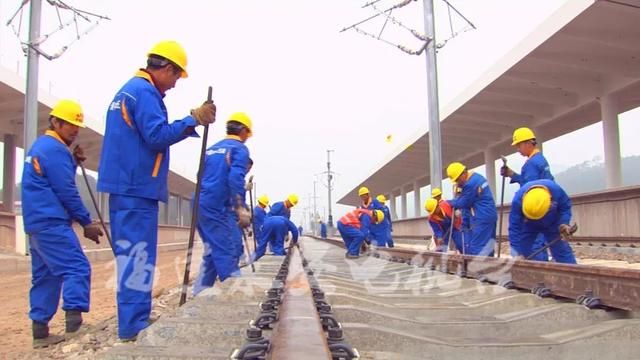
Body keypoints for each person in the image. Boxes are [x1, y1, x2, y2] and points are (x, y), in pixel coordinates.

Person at [97, 40, 216, 341]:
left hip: (129, 185)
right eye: (176, 76)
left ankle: (133, 319)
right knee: (138, 257)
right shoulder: (145, 92)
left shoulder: (130, 90)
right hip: (136, 187)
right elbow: (156, 135)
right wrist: (193, 119)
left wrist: (190, 121)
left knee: (133, 256)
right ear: (165, 68)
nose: (175, 84)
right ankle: (133, 325)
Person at [22, 99, 104, 348]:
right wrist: (86, 221)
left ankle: (40, 331)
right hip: (51, 222)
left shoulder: (45, 147)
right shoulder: (54, 150)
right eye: (69, 125)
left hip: (37, 223)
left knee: (46, 276)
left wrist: (72, 161)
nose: (74, 130)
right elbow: (66, 191)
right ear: (55, 122)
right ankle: (74, 326)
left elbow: (53, 178)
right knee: (76, 268)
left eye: (77, 126)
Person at [193, 112, 253, 296]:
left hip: (199, 203)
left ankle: (199, 292)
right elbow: (235, 177)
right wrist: (240, 207)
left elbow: (201, 176)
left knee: (213, 250)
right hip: (215, 206)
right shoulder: (239, 149)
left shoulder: (212, 148)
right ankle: (236, 296)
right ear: (243, 131)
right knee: (227, 251)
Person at [501, 127, 555, 261]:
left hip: (536, 205)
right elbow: (529, 182)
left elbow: (529, 188)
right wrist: (512, 174)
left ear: (527, 143)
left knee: (533, 240)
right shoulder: (540, 159)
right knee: (539, 239)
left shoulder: (531, 164)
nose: (518, 149)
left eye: (518, 145)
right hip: (545, 204)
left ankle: (538, 273)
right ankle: (542, 269)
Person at [509, 179, 577, 264]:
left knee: (561, 251)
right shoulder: (518, 201)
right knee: (524, 251)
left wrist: (564, 223)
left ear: (550, 202)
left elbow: (565, 207)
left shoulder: (556, 191)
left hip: (552, 223)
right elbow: (514, 228)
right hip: (529, 225)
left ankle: (571, 274)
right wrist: (517, 253)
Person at [447, 162, 497, 256]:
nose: (458, 182)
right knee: (488, 247)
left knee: (477, 248)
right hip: (489, 215)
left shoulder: (470, 184)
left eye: (458, 179)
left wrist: (448, 202)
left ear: (463, 173)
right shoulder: (477, 177)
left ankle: (479, 269)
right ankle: (490, 268)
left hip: (482, 217)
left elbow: (463, 203)